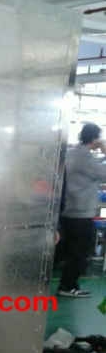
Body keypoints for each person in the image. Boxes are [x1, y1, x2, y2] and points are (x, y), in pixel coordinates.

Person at [58, 122, 106, 297]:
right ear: (94, 138)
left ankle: (66, 284)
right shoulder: (84, 157)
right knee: (80, 252)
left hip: (70, 210)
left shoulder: (74, 153)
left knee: (71, 251)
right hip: (80, 213)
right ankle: (68, 286)